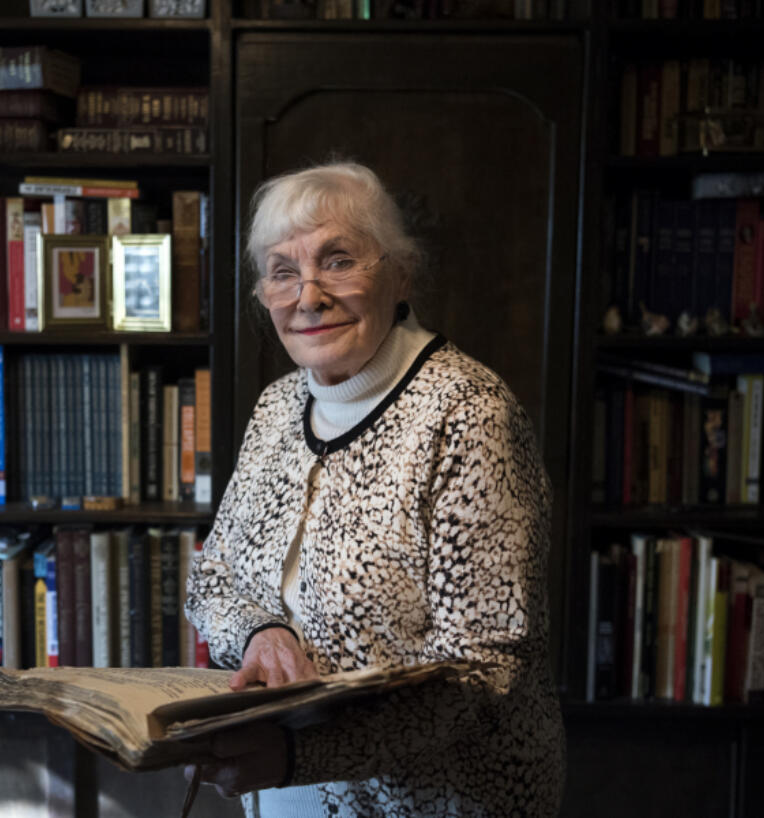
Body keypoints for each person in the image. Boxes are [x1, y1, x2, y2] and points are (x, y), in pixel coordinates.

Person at [183, 161, 565, 817]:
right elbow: (214, 576)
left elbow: (483, 672)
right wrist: (261, 631)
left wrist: (301, 757)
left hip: (441, 800)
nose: (308, 295)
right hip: (288, 789)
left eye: (337, 261)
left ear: (400, 273)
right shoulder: (277, 409)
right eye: (282, 270)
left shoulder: (469, 415)